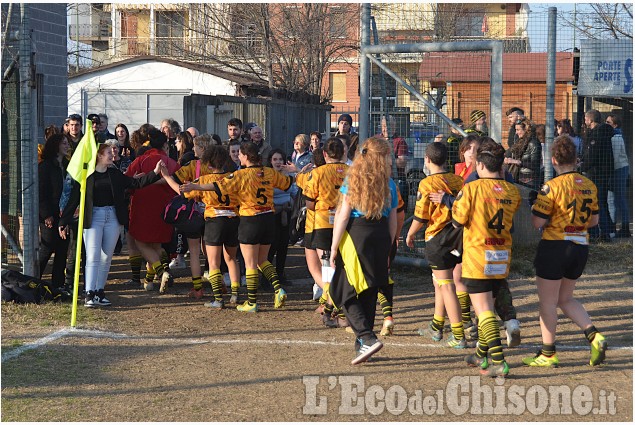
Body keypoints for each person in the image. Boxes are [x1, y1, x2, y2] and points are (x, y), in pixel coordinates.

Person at [523, 135, 607, 367]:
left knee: (547, 302)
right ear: (576, 159)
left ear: (553, 160)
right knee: (565, 298)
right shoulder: (589, 185)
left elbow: (537, 223)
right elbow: (594, 220)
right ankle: (594, 335)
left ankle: (548, 353)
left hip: (555, 246)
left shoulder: (551, 187)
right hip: (580, 246)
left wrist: (535, 206)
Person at [184, 141, 293, 312]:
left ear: (246, 156)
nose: (238, 157)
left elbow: (217, 186)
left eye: (240, 154)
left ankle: (251, 302)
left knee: (250, 263)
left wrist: (196, 186)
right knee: (262, 260)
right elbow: (287, 184)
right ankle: (278, 289)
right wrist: (295, 171)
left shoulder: (240, 175)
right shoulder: (269, 172)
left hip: (250, 220)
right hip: (269, 219)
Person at [60, 143, 163, 307]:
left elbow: (135, 183)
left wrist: (155, 173)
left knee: (106, 257)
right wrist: (63, 221)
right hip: (93, 218)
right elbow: (74, 198)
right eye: (108, 152)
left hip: (113, 217)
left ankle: (100, 291)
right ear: (99, 156)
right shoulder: (87, 175)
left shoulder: (114, 174)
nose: (112, 154)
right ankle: (89, 293)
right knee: (93, 256)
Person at [452, 140, 521, 377]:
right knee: (489, 305)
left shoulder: (471, 189)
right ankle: (481, 356)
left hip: (478, 257)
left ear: (480, 165)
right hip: (501, 256)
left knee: (483, 312)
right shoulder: (513, 191)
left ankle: (499, 363)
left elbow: (458, 219)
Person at [328, 137, 398, 365]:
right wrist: (390, 246)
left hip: (357, 235)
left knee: (340, 289)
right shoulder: (390, 184)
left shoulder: (354, 179)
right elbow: (393, 219)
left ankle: (367, 338)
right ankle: (362, 345)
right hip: (381, 235)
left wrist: (333, 246)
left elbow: (343, 215)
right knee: (368, 289)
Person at [161, 145, 242, 308]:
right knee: (231, 258)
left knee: (213, 262)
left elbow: (181, 191)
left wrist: (167, 177)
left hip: (214, 220)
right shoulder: (234, 177)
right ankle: (235, 294)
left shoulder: (204, 180)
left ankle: (218, 300)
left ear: (209, 165)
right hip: (233, 219)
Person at [406, 142, 469, 348]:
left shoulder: (426, 183)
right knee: (440, 282)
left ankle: (458, 335)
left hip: (438, 238)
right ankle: (436, 325)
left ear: (427, 160)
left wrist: (410, 233)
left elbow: (421, 215)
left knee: (446, 285)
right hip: (458, 236)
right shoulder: (458, 180)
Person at [163, 134, 224, 298]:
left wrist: (165, 176)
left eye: (195, 146)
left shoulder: (192, 166)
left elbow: (178, 186)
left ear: (202, 149)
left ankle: (198, 288)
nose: (192, 149)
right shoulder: (219, 167)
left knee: (195, 251)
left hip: (195, 213)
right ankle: (219, 284)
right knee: (212, 252)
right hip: (214, 214)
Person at [125, 128, 181, 293]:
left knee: (140, 243)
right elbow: (180, 179)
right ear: (164, 144)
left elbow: (128, 181)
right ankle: (148, 281)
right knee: (156, 245)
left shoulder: (140, 160)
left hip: (142, 207)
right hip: (164, 209)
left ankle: (161, 271)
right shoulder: (170, 162)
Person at [303, 137, 348, 328]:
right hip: (346, 224)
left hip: (323, 223)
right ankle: (333, 302)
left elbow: (310, 203)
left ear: (324, 154)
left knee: (327, 266)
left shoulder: (317, 173)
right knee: (340, 265)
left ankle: (332, 301)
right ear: (343, 153)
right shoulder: (351, 171)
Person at [38, 134, 71, 292]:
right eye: (63, 143)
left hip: (64, 215)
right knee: (47, 246)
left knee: (62, 248)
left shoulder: (67, 165)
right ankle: (34, 278)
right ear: (55, 146)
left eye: (67, 143)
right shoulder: (45, 167)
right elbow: (40, 193)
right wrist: (46, 215)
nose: (66, 145)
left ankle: (58, 284)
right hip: (50, 215)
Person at [580, 109, 615, 242]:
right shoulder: (601, 132)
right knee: (601, 202)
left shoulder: (597, 134)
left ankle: (602, 233)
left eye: (585, 118)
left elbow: (593, 155)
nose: (584, 121)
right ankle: (605, 231)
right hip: (602, 172)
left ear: (590, 120)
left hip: (596, 173)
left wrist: (582, 167)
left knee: (597, 203)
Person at [267, 149, 298, 285]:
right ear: (270, 161)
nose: (278, 162)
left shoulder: (288, 175)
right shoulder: (268, 175)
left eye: (280, 159)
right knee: (272, 246)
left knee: (283, 245)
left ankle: (280, 274)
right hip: (272, 213)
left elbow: (294, 192)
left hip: (287, 212)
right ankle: (268, 277)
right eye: (275, 159)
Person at [605, 114, 631, 238]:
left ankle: (623, 227)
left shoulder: (615, 136)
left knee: (618, 199)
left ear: (614, 124)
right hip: (620, 168)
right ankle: (616, 227)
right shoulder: (616, 135)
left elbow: (614, 158)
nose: (606, 124)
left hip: (618, 169)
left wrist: (608, 173)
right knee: (615, 199)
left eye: (608, 122)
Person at [504, 117, 542, 191]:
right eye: (516, 130)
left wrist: (517, 162)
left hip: (530, 180)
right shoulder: (521, 141)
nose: (516, 132)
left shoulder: (533, 143)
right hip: (519, 177)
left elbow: (535, 165)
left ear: (526, 130)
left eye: (518, 130)